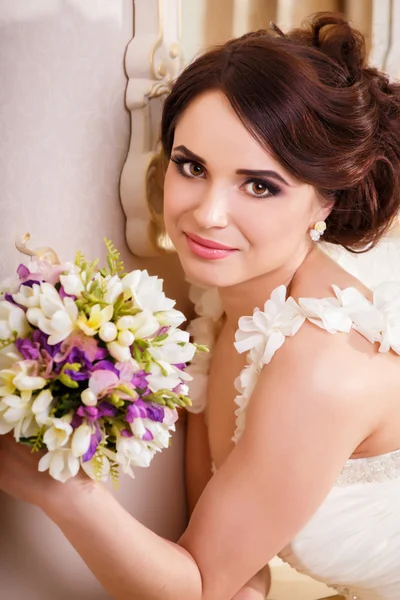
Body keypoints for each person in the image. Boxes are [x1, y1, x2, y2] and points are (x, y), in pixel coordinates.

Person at [1, 11, 400, 600]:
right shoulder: (221, 305)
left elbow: (203, 586)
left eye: (259, 185)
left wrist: (63, 490)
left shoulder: (322, 362)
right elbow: (228, 569)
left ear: (325, 200)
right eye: (192, 167)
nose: (207, 214)